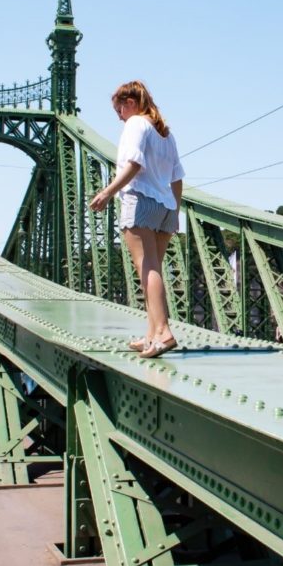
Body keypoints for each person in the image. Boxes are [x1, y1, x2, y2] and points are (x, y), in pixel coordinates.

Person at [89, 81, 184, 358]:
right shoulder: (165, 133)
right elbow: (177, 178)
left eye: (118, 109)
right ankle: (151, 335)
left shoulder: (135, 125)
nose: (118, 116)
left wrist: (108, 192)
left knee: (146, 269)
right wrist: (174, 213)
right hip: (165, 206)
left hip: (140, 200)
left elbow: (133, 164)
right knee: (151, 272)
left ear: (130, 102)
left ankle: (164, 332)